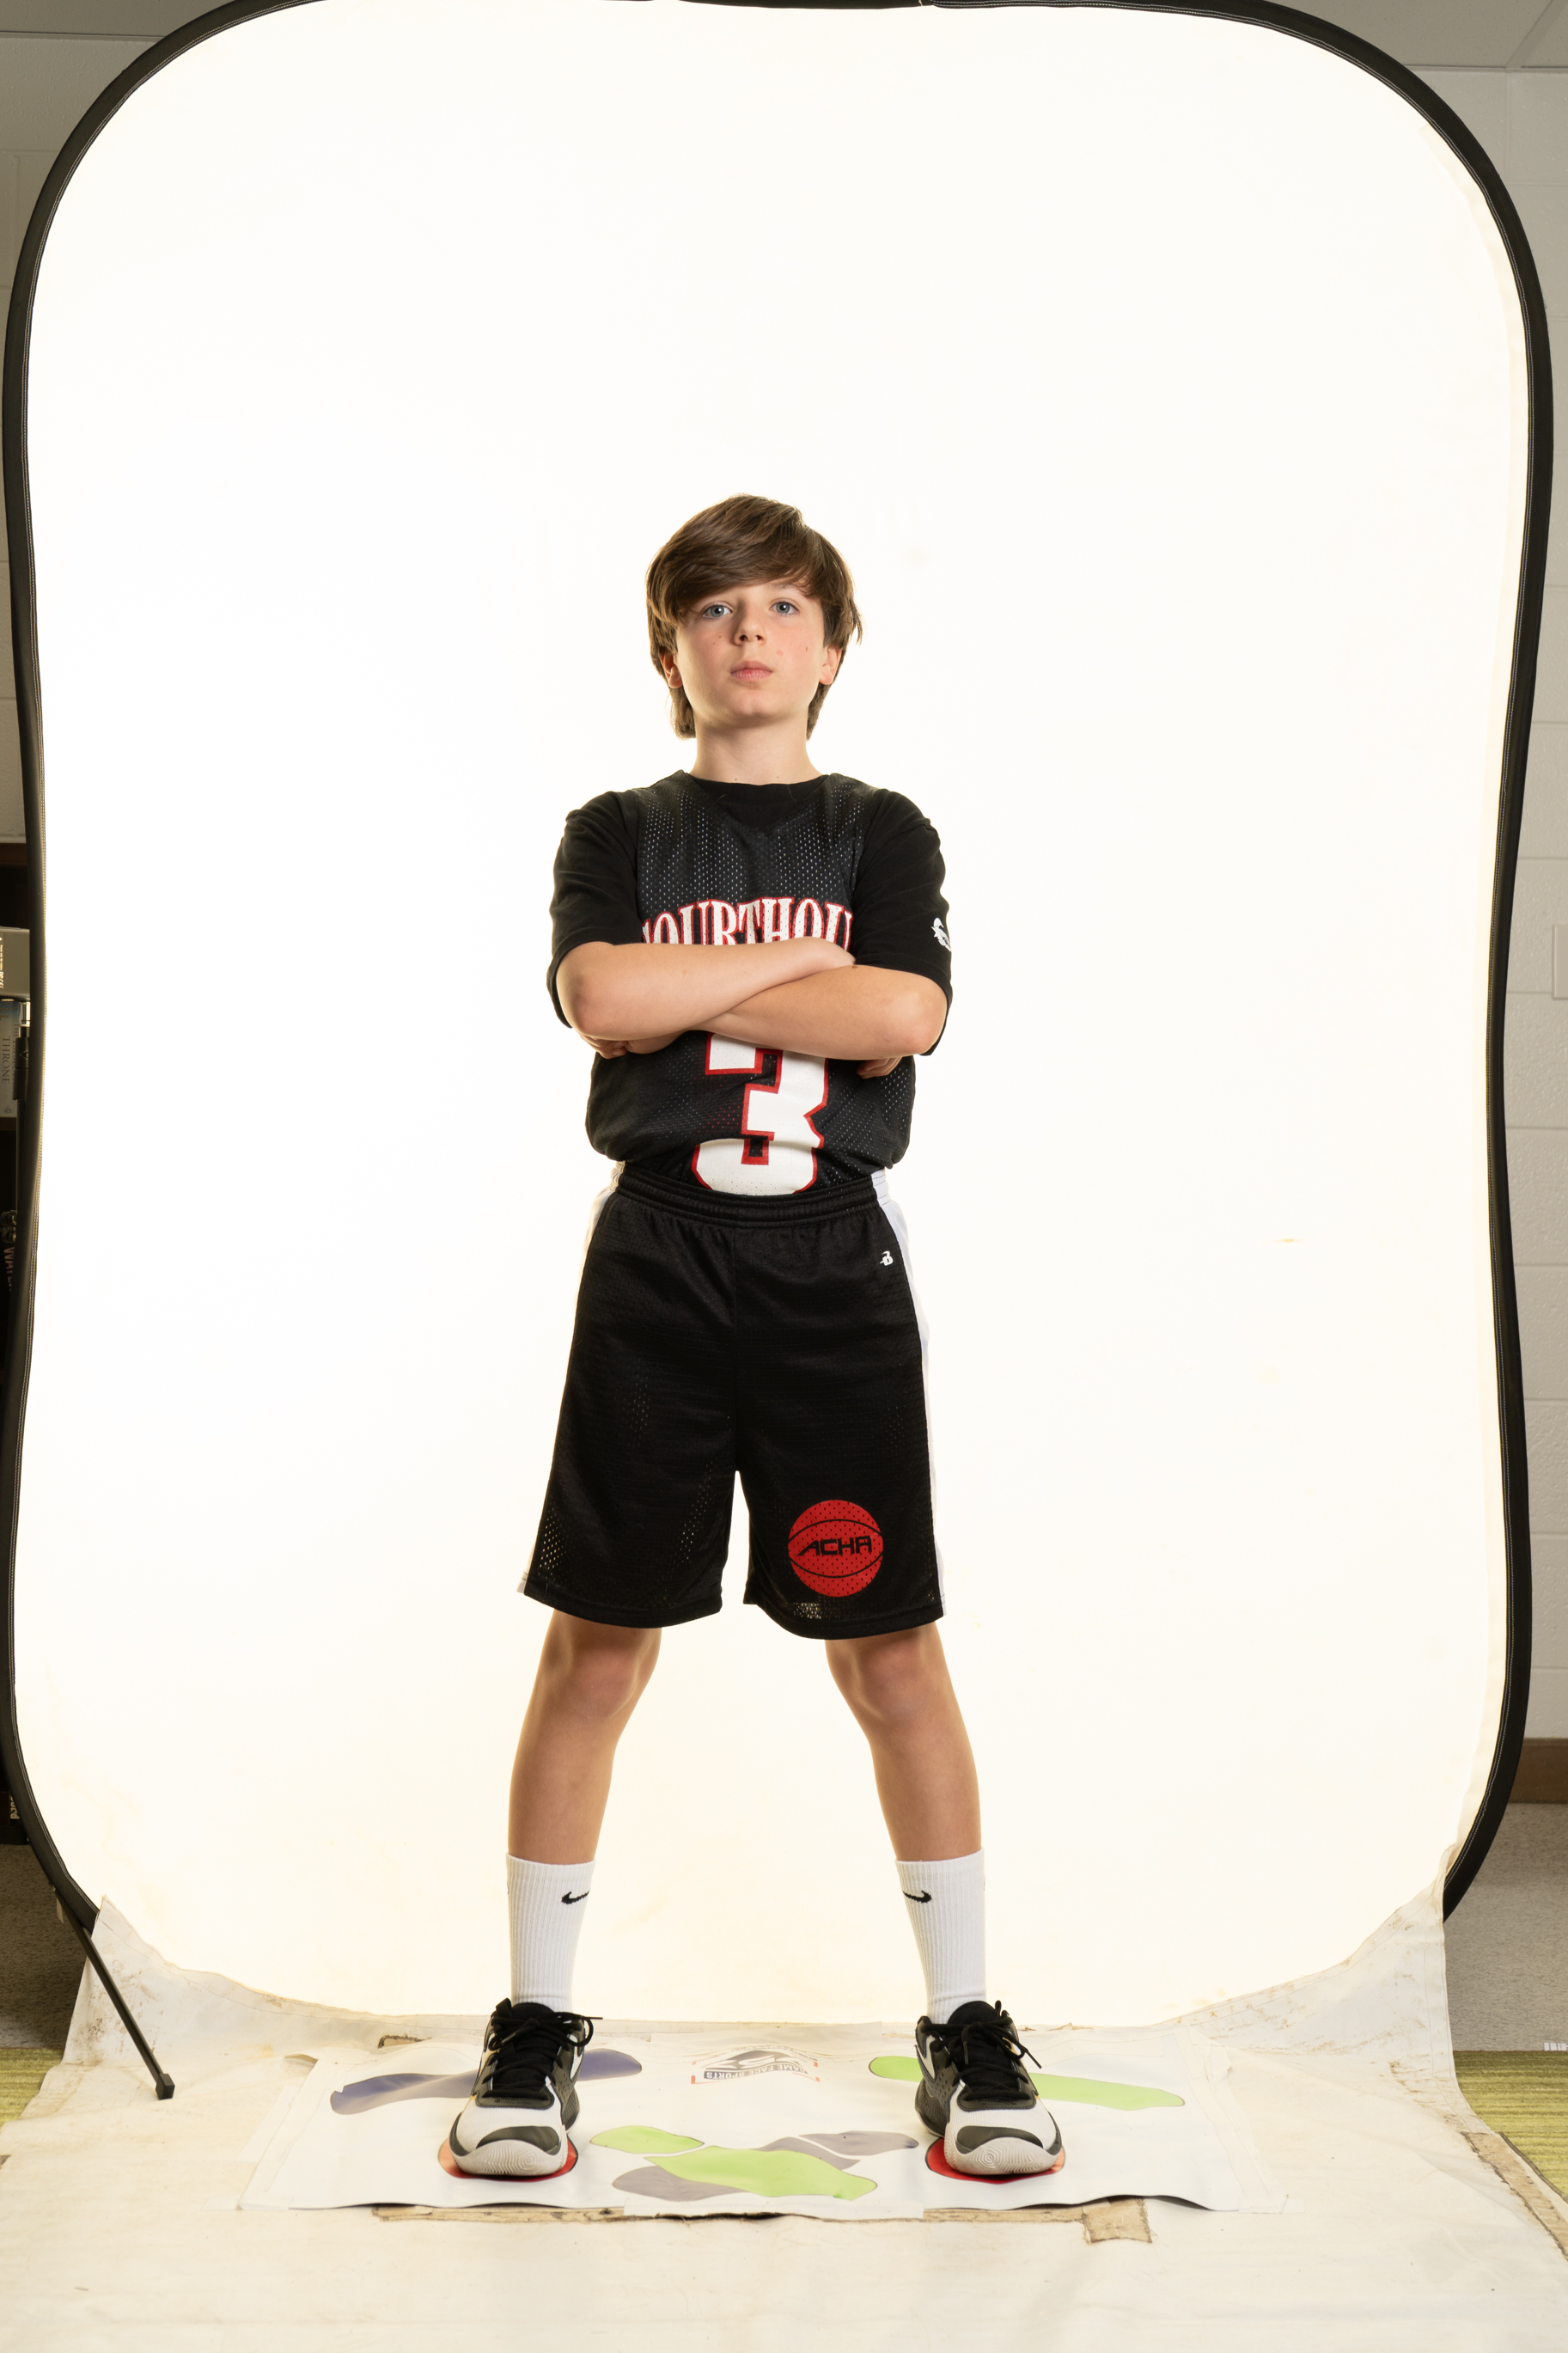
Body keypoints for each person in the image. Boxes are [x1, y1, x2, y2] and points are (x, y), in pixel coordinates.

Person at [449, 494, 1061, 2186]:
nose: (748, 633)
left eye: (783, 606)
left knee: (890, 1648)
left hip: (827, 1266)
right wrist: (792, 967)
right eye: (715, 609)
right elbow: (598, 998)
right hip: (657, 1259)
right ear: (671, 649)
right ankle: (534, 2026)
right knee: (595, 1645)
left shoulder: (879, 830)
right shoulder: (619, 828)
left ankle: (965, 2020)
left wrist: (698, 981)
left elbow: (902, 1012)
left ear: (831, 645)